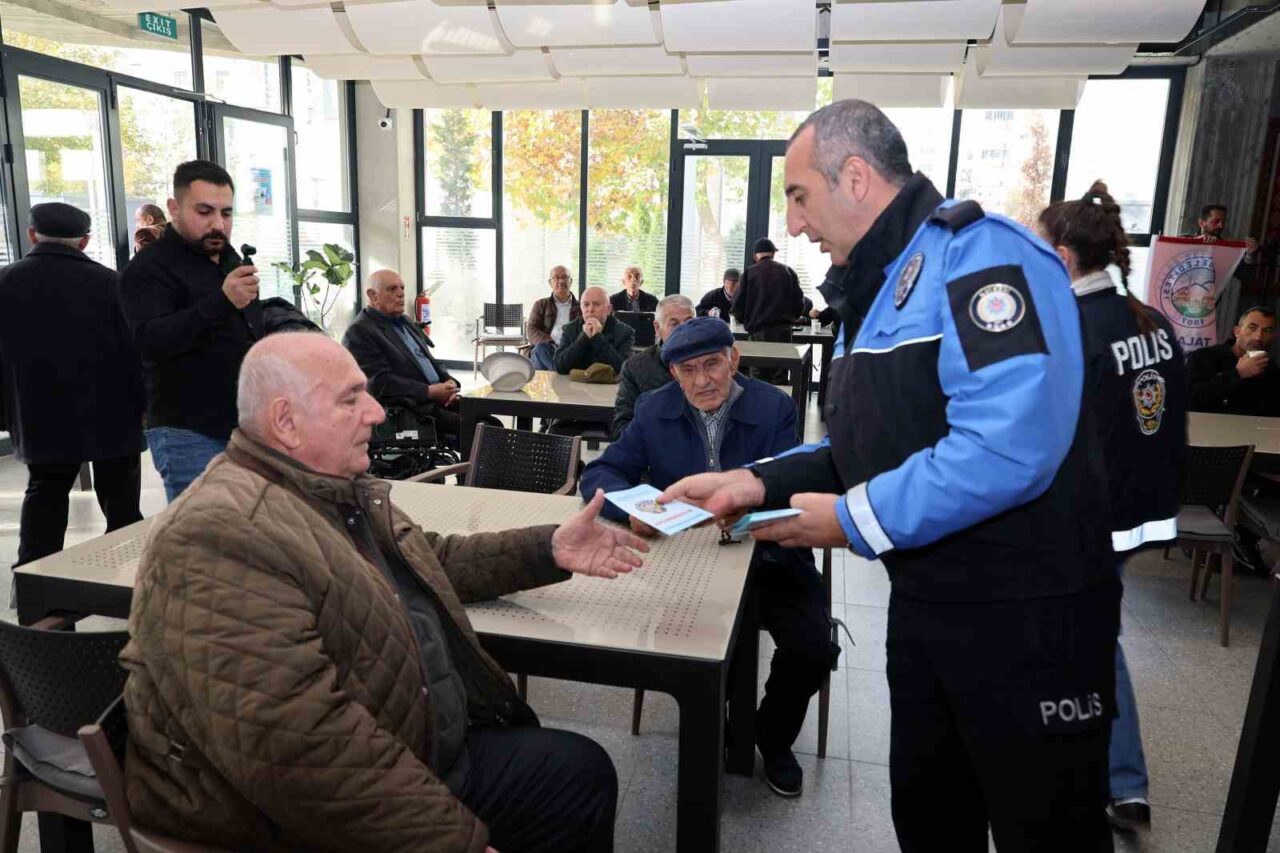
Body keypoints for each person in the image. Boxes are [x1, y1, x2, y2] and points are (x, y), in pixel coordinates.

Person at [661, 99, 1117, 851]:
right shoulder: (872, 294)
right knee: (932, 818)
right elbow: (867, 445)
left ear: (857, 176)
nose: (796, 225)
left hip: (1028, 615)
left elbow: (1005, 449)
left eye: (800, 197)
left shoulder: (984, 260)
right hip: (929, 604)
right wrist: (754, 482)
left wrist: (849, 520)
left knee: (1048, 828)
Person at [121, 332, 646, 853]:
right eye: (351, 398)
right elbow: (299, 750)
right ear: (286, 421)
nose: (375, 412)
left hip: (409, 739)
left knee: (579, 775)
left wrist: (548, 548)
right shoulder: (223, 535)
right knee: (570, 783)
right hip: (278, 818)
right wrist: (451, 842)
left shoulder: (328, 490)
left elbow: (430, 559)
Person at [582, 318, 836, 797]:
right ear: (674, 373)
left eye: (712, 364)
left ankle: (771, 736)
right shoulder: (654, 408)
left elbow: (794, 486)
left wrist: (742, 509)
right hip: (688, 563)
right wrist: (635, 510)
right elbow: (601, 474)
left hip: (771, 554)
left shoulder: (775, 406)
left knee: (812, 649)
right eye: (688, 369)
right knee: (712, 649)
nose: (702, 380)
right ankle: (718, 731)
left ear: (734, 359)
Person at [1039, 182, 1190, 834]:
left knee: (1088, 640)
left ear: (1066, 257)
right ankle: (1104, 771)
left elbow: (1052, 435)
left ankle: (1116, 776)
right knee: (1089, 635)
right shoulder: (1150, 320)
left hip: (1087, 519)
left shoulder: (1071, 328)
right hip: (1142, 510)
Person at [0, 203, 145, 566]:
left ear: (33, 235)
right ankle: (130, 590)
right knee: (123, 508)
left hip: (39, 413)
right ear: (84, 241)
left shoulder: (5, 282)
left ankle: (38, 600)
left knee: (45, 499)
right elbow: (138, 352)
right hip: (114, 412)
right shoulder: (114, 283)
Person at [120, 160, 262, 502]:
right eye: (204, 211)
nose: (218, 224)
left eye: (226, 213)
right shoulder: (149, 269)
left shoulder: (228, 258)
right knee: (202, 538)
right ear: (174, 208)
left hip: (244, 423)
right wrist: (223, 301)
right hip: (187, 428)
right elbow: (150, 341)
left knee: (249, 534)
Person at [343, 269, 465, 444]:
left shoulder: (405, 321)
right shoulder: (360, 331)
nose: (400, 293)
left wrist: (449, 382)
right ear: (372, 295)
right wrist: (429, 392)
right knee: (479, 429)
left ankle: (473, 470)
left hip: (437, 398)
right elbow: (378, 383)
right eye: (392, 289)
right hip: (411, 409)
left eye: (402, 288)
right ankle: (471, 470)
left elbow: (428, 360)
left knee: (487, 420)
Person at [611, 294, 695, 440]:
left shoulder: (710, 362)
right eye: (674, 324)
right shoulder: (635, 368)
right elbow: (621, 426)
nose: (683, 331)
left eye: (689, 323)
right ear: (657, 327)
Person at [1187, 204, 1262, 345]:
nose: (1221, 226)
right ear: (1202, 223)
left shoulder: (1226, 248)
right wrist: (1197, 243)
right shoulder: (1184, 240)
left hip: (1208, 314)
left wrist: (1250, 255)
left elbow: (1246, 277)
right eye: (1216, 221)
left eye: (1223, 222)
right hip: (1178, 309)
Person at [731, 238, 803, 383]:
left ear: (755, 256)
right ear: (772, 253)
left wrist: (744, 320)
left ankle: (759, 406)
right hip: (783, 333)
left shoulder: (749, 274)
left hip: (757, 333)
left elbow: (737, 305)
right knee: (780, 376)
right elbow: (799, 303)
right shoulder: (788, 271)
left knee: (757, 376)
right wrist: (793, 318)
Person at [1187, 306, 1280, 416]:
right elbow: (1189, 397)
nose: (1258, 337)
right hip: (1209, 429)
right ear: (1237, 331)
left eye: (1267, 331)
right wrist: (1238, 373)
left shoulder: (1269, 366)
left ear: (1273, 336)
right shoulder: (1204, 357)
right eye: (1252, 328)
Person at [553, 285, 635, 374]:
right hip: (575, 384)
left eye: (596, 304)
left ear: (608, 309)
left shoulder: (625, 332)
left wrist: (597, 337)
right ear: (581, 308)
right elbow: (559, 366)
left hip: (609, 386)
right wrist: (583, 338)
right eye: (586, 304)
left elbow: (624, 369)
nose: (590, 309)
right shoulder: (570, 329)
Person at [526, 265, 580, 370]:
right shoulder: (541, 304)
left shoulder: (581, 307)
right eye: (556, 277)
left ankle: (553, 375)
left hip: (569, 350)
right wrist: (550, 342)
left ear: (571, 281)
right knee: (541, 348)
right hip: (548, 348)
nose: (561, 281)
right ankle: (559, 370)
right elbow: (531, 329)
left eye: (565, 277)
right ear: (550, 282)